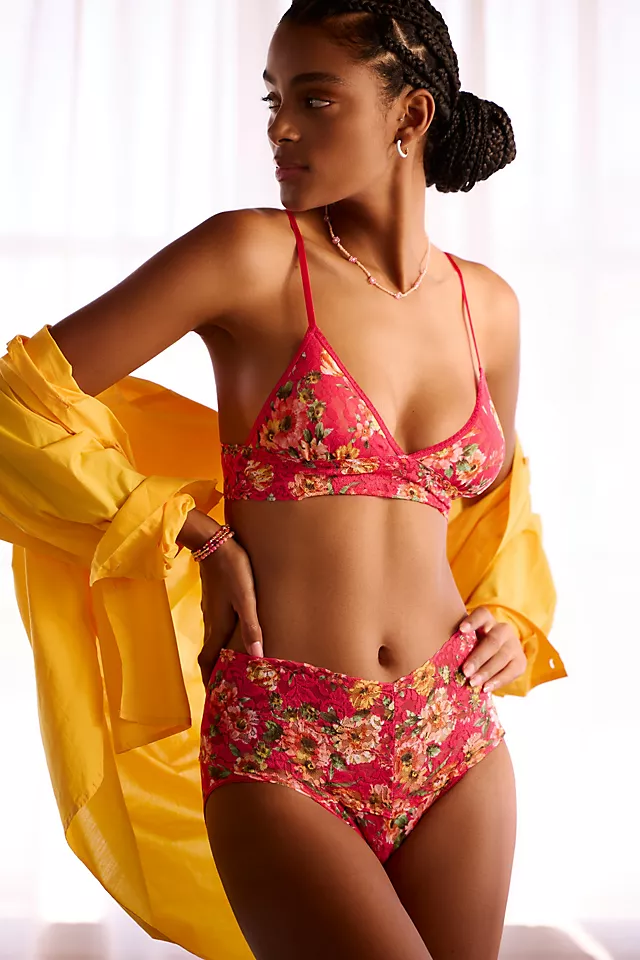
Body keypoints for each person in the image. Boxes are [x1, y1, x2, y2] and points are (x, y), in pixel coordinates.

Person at [0, 2, 567, 958]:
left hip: (453, 734)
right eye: (274, 102)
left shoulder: (490, 308)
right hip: (282, 740)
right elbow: (18, 402)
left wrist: (509, 614)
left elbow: (495, 499)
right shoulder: (250, 258)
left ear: (410, 115)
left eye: (315, 99)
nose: (281, 130)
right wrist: (193, 532)